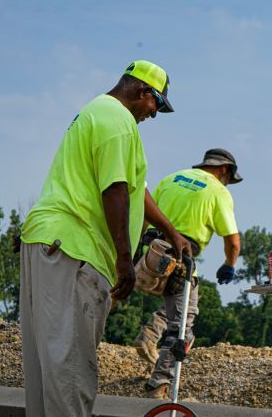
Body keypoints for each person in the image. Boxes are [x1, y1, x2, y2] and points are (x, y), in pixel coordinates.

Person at [19, 60, 191, 417]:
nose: (154, 115)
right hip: (74, 247)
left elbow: (135, 187)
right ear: (143, 92)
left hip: (49, 242)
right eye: (157, 105)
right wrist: (124, 260)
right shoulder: (119, 123)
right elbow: (115, 190)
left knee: (47, 367)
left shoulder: (99, 114)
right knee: (70, 368)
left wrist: (172, 232)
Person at [134, 148, 242, 400]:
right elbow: (233, 240)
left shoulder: (172, 178)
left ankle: (149, 335)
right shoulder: (218, 191)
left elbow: (144, 216)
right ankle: (158, 386)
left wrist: (138, 252)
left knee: (177, 308)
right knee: (183, 326)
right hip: (181, 259)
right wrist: (229, 264)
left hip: (153, 252)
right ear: (224, 169)